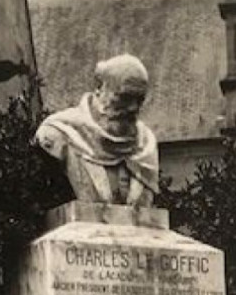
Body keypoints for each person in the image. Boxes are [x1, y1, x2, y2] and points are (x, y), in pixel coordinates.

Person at [35, 54, 159, 206]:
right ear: (100, 87)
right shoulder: (59, 132)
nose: (133, 107)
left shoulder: (146, 144)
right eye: (124, 97)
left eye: (139, 100)